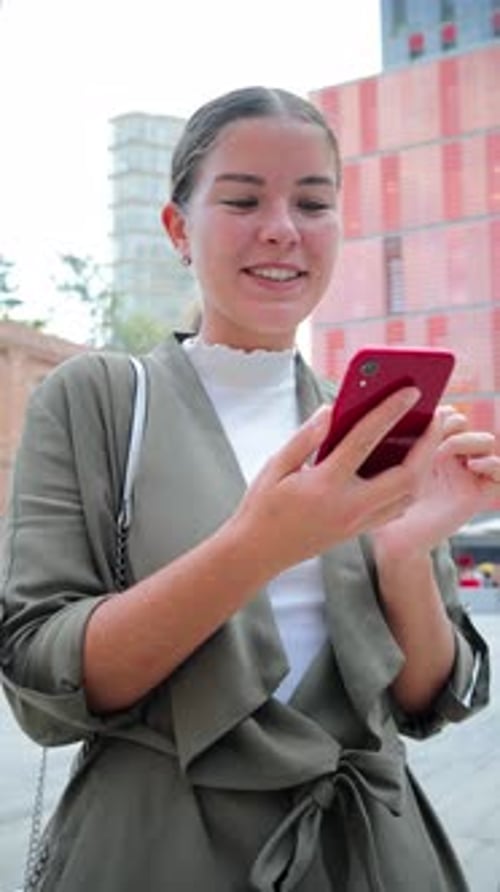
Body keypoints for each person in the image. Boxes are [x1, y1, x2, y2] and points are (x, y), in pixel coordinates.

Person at [1, 86, 499, 892]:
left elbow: (420, 699)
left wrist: (404, 551)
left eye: (313, 202)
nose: (282, 228)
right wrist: (260, 545)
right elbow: (43, 679)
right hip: (160, 850)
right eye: (241, 199)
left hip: (369, 855)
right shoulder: (99, 399)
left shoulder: (361, 425)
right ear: (177, 230)